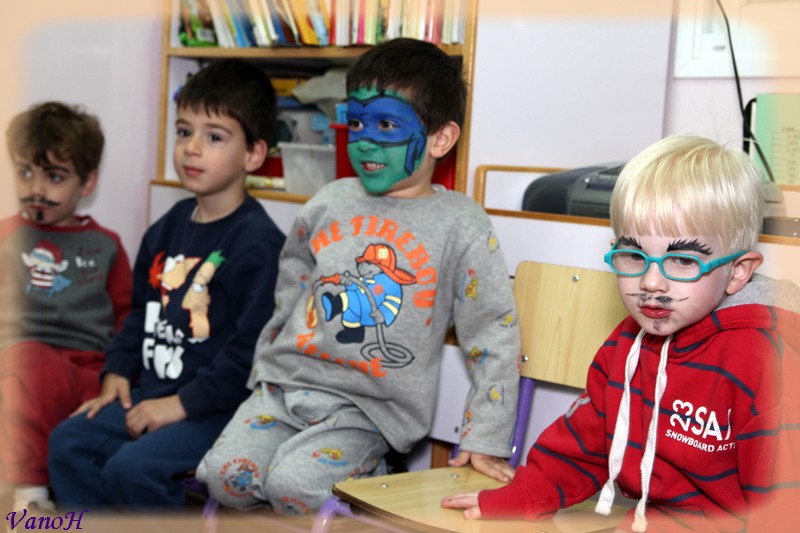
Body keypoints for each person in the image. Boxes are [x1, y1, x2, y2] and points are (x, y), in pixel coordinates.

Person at [195, 38, 521, 514]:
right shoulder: (328, 201)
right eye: (356, 122)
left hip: (368, 409)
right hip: (285, 388)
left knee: (292, 488)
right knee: (226, 480)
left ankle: (380, 467)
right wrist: (268, 363)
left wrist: (485, 436)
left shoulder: (461, 223)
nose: (364, 139)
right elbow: (290, 287)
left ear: (440, 139)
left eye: (386, 124)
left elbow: (494, 331)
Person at [441, 135, 800, 532]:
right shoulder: (627, 342)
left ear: (737, 272)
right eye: (633, 255)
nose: (650, 282)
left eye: (682, 260)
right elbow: (584, 443)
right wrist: (522, 497)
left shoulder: (766, 364)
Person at [47, 59, 286, 508]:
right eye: (183, 131)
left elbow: (250, 355)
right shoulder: (167, 226)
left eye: (214, 137)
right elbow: (141, 312)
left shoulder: (259, 245)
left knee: (132, 469)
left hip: (217, 411)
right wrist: (117, 370)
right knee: (69, 442)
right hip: (152, 393)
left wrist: (182, 405)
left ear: (254, 154)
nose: (191, 148)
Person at [0, 101, 132, 512]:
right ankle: (31, 494)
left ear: (87, 182)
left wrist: (118, 372)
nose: (36, 189)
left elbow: (128, 318)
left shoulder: (107, 245)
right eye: (25, 173)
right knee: (30, 369)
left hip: (89, 371)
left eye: (54, 176)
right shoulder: (6, 236)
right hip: (24, 360)